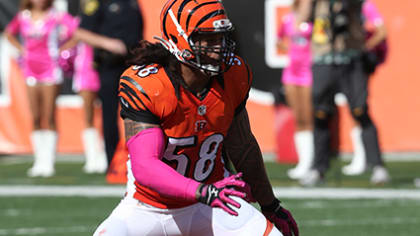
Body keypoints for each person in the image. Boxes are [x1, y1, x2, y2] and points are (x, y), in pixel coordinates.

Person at [93, 0, 299, 235]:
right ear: (178, 40)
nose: (218, 48)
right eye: (208, 39)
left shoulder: (233, 74)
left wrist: (270, 204)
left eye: (221, 38)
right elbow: (145, 165)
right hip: (147, 208)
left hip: (213, 203)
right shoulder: (149, 85)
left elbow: (242, 147)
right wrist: (203, 191)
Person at [299, 0, 390, 186]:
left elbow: (376, 25)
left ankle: (377, 166)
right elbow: (299, 22)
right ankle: (318, 168)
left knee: (360, 111)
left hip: (351, 60)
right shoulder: (317, 4)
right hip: (324, 61)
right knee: (321, 115)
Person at [4, 0, 78, 177]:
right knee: (35, 116)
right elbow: (8, 34)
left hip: (51, 70)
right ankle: (39, 160)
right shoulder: (24, 16)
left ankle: (49, 161)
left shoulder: (56, 16)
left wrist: (62, 50)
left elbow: (78, 32)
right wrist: (22, 50)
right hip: (30, 69)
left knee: (49, 114)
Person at [71, 0, 143, 166]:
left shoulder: (132, 2)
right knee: (109, 115)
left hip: (133, 64)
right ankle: (112, 161)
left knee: (138, 112)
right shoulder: (97, 2)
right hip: (110, 64)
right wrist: (108, 44)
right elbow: (80, 32)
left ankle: (140, 158)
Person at [342, 0, 388, 177]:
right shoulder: (331, 5)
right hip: (336, 62)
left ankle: (375, 163)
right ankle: (318, 168)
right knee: (324, 110)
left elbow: (382, 31)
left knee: (360, 109)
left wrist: (363, 46)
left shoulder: (365, 5)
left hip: (356, 63)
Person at [277, 0, 314, 180]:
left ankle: (311, 161)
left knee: (308, 116)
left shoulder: (316, 21)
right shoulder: (288, 19)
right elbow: (278, 40)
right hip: (291, 73)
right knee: (298, 117)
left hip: (309, 72)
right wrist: (290, 49)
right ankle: (303, 162)